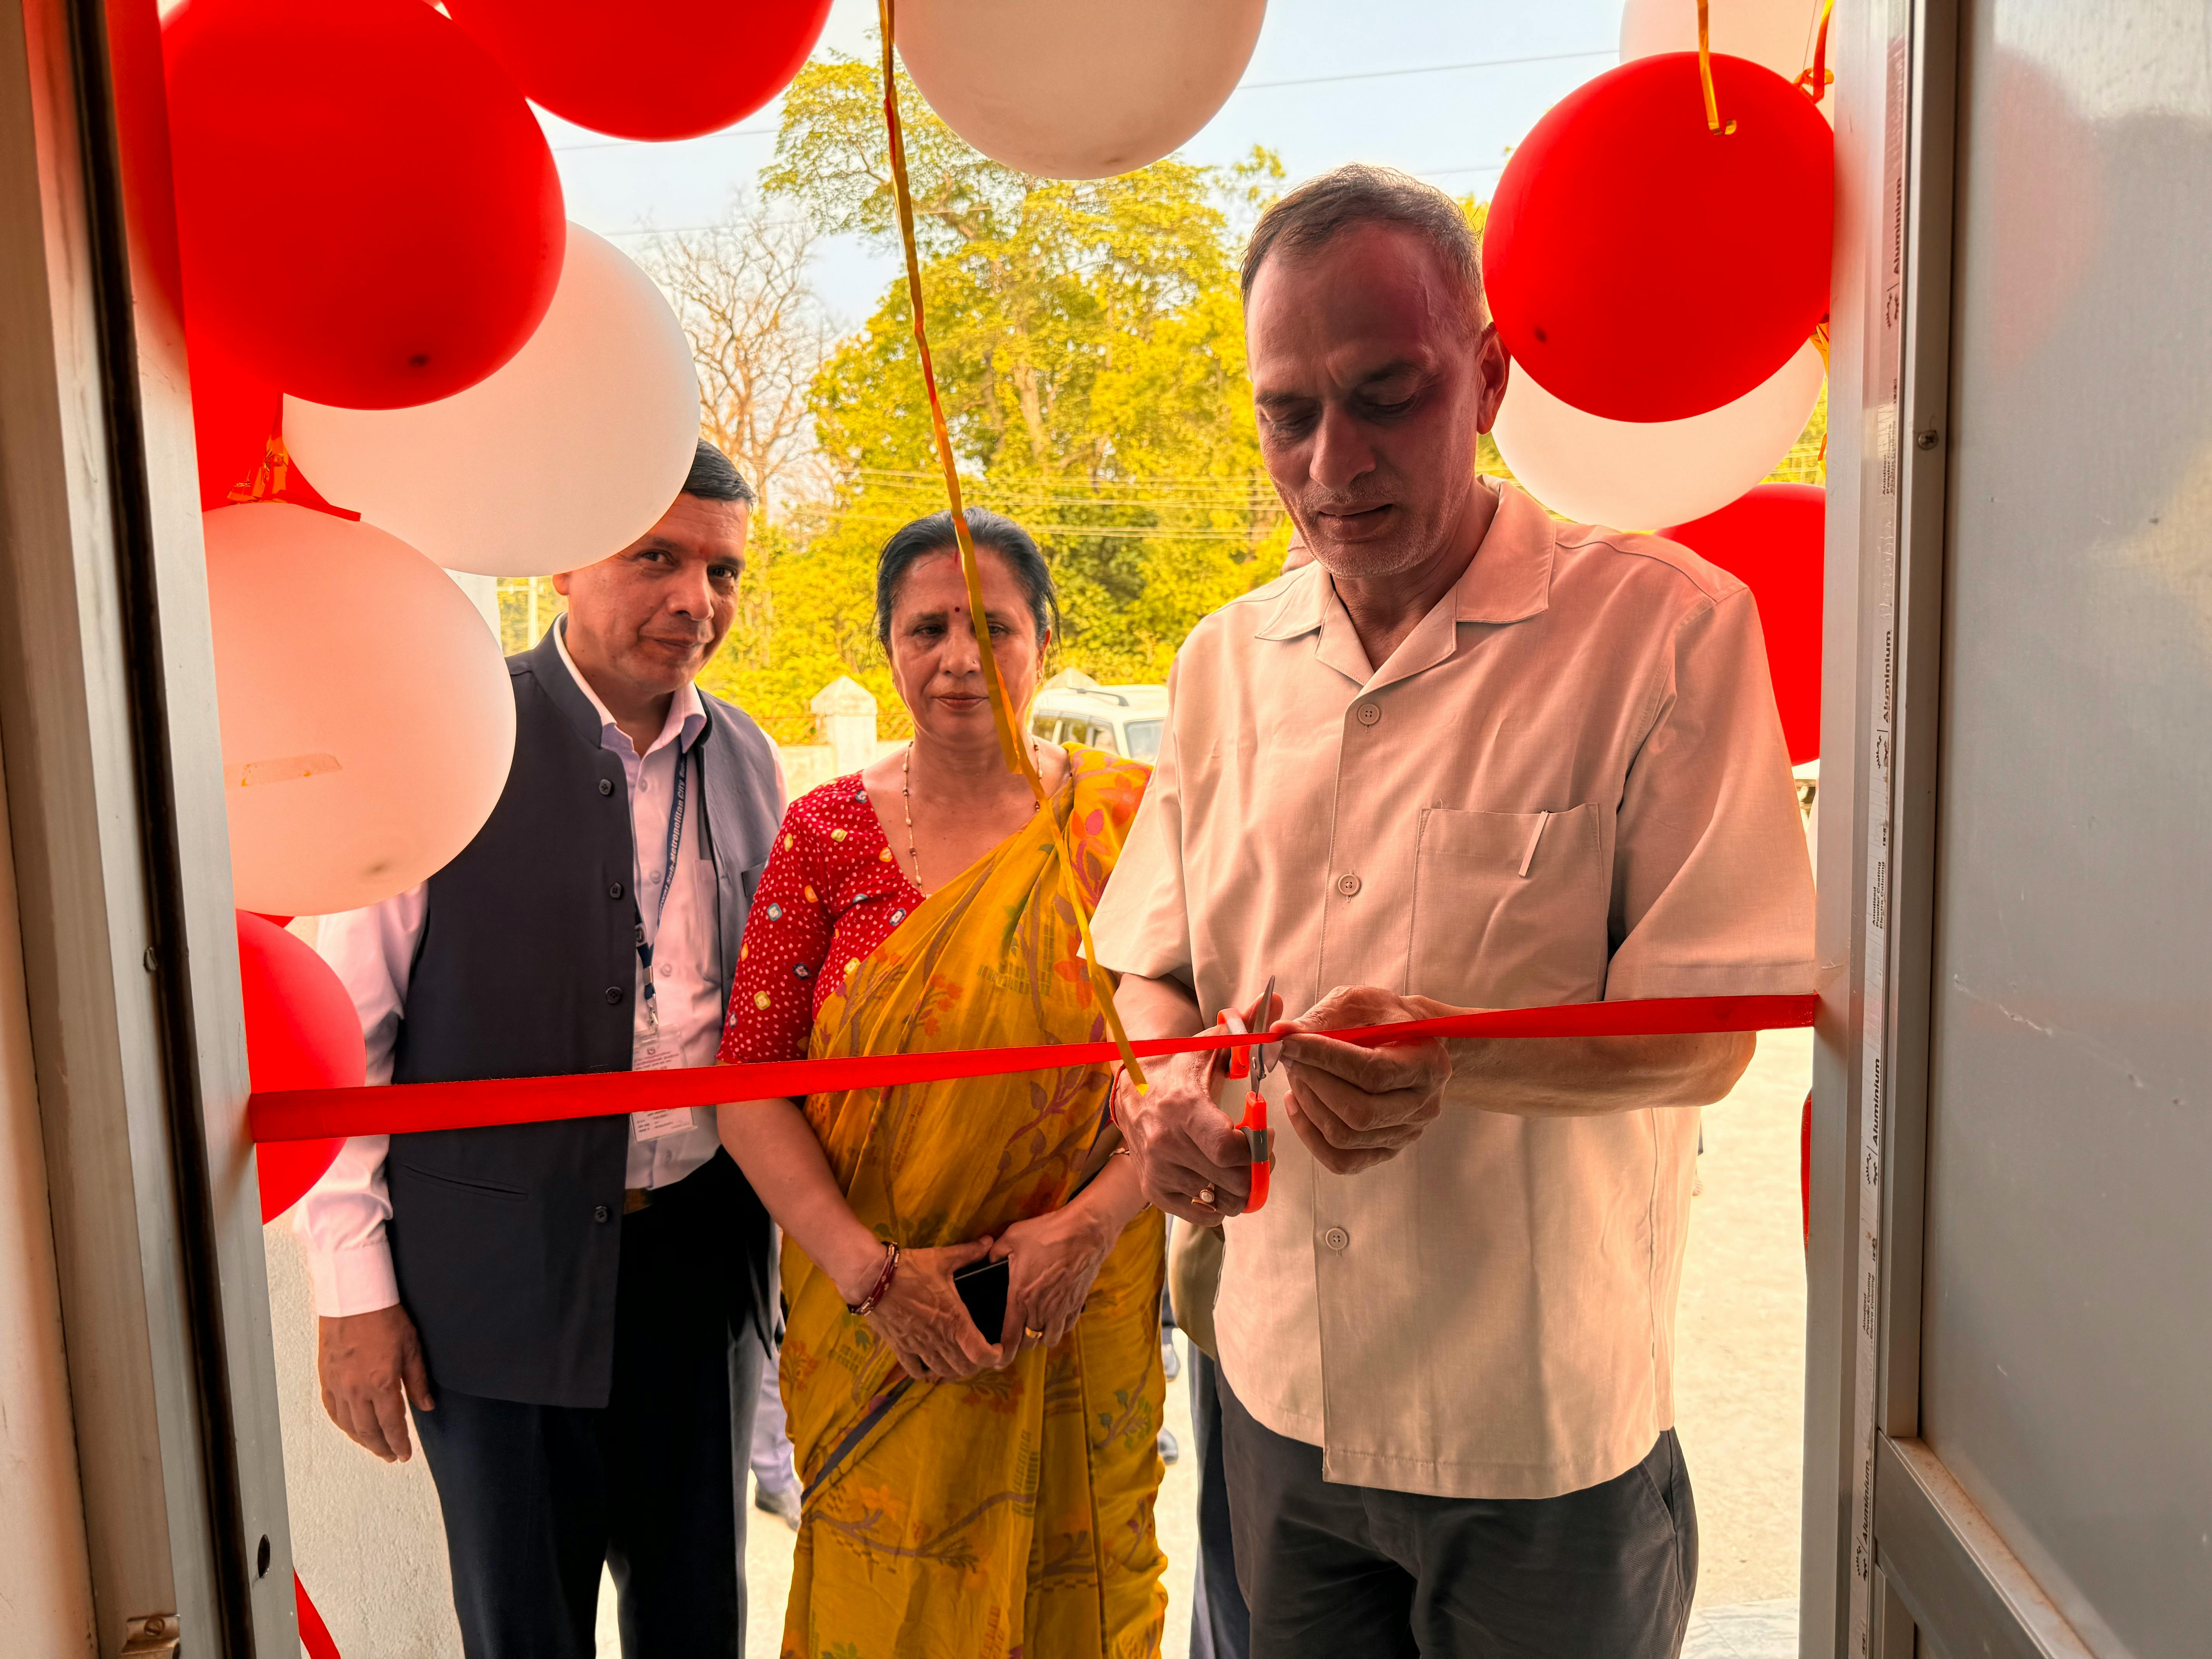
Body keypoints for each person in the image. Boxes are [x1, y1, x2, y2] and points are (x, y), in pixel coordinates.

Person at [1091, 165, 1817, 1658]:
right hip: (1279, 1392)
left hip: (1537, 1426)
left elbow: (1708, 1035)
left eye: (1387, 393)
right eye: (1288, 411)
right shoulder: (1222, 663)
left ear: (1486, 378)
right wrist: (1162, 1095)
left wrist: (1455, 1055)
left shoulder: (1662, 633)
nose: (1331, 459)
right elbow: (1148, 967)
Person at [301, 441, 785, 1659]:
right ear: (568, 562)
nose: (696, 601)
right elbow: (344, 1041)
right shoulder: (448, 738)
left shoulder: (751, 762)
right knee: (525, 1630)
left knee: (699, 1620)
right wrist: (355, 1294)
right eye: (658, 558)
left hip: (697, 1267)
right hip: (495, 1280)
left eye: (722, 572)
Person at [715, 507, 1167, 1658]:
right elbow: (748, 1081)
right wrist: (872, 1278)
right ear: (889, 646)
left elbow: (1190, 1051)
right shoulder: (826, 836)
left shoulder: (1130, 821)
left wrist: (1087, 1226)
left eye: (993, 626)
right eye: (928, 628)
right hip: (880, 1319)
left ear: (1047, 644)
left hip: (1075, 1294)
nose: (959, 657)